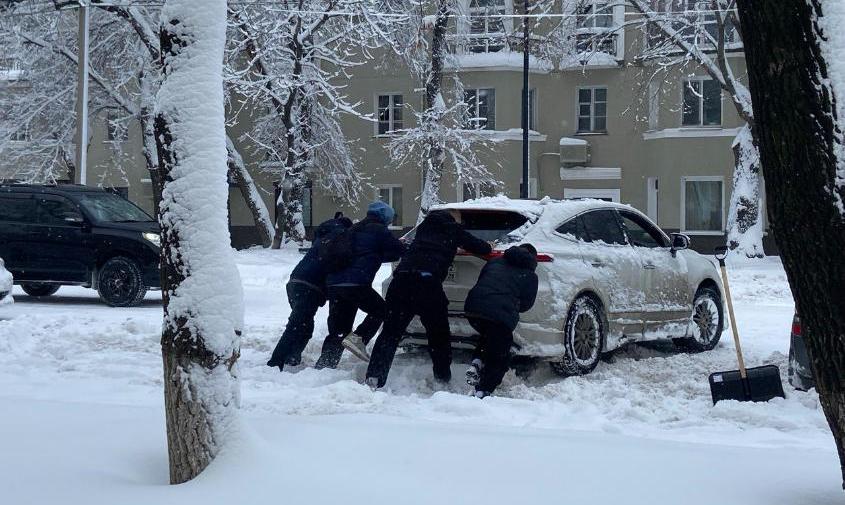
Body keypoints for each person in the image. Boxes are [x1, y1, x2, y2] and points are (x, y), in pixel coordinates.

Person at [365, 209, 493, 389]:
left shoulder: (423, 229)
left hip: (400, 282)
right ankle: (442, 378)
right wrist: (488, 245)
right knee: (438, 335)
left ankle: (374, 378)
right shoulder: (451, 228)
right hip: (427, 284)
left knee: (390, 333)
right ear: (452, 220)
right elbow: (482, 248)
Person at [314, 201, 405, 369]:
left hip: (335, 284)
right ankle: (360, 338)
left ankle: (325, 366)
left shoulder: (353, 229)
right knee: (382, 311)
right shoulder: (378, 230)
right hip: (356, 283)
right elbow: (398, 250)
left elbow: (367, 254)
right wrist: (406, 246)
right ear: (385, 217)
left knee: (339, 329)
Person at [266, 213, 353, 371]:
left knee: (304, 326)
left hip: (295, 282)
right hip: (310, 287)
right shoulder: (338, 238)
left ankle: (292, 358)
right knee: (296, 325)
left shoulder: (322, 237)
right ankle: (275, 362)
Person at [463, 243, 538, 398]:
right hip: (499, 314)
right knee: (500, 356)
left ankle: (477, 362)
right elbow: (526, 305)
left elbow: (483, 281)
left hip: (473, 308)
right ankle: (483, 391)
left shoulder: (495, 261)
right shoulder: (530, 275)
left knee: (489, 336)